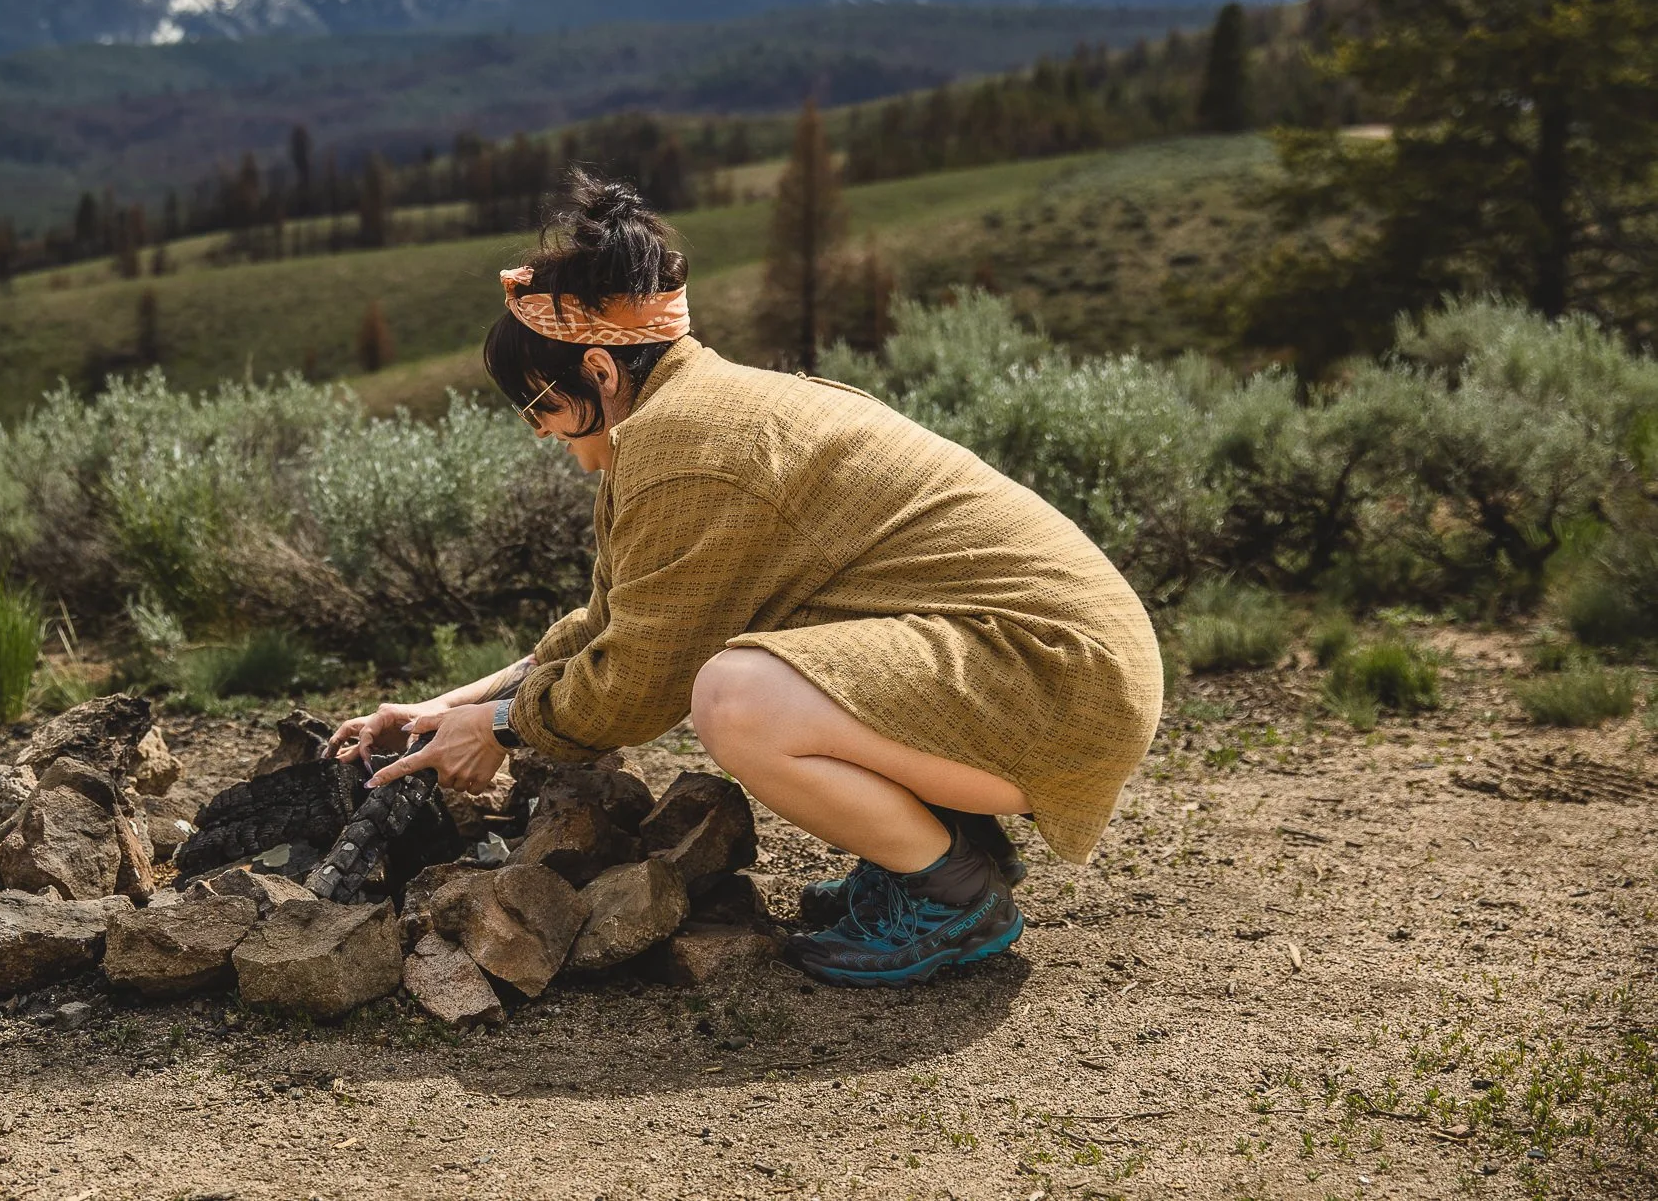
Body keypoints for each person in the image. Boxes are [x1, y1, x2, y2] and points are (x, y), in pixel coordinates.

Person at [333, 173, 1162, 987]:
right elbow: (607, 625)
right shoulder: (692, 414)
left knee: (735, 696)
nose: (541, 431)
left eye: (538, 405)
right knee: (754, 675)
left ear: (599, 371)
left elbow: (633, 689)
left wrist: (504, 727)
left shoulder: (687, 446)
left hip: (1061, 681)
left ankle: (953, 891)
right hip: (1044, 664)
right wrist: (454, 706)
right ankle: (932, 847)